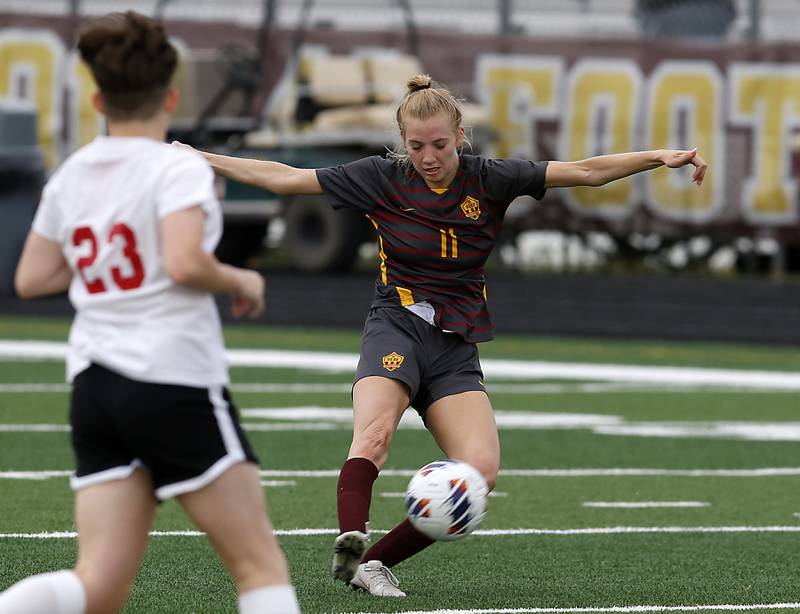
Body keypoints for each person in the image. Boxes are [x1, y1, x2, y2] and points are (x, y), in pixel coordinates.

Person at [176, 74, 707, 599]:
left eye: (440, 144)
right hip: (396, 324)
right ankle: (351, 536)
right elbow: (283, 178)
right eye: (416, 146)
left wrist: (659, 156)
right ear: (401, 144)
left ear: (460, 137)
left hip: (455, 343)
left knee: (480, 474)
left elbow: (588, 171)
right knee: (375, 434)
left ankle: (373, 563)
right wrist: (205, 158)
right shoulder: (381, 178)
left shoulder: (491, 178)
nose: (429, 156)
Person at [0, 11, 300, 614]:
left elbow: (32, 278)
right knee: (260, 567)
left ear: (97, 98)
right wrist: (242, 276)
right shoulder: (176, 166)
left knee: (99, 586)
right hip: (171, 379)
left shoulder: (72, 172)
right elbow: (186, 262)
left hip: (96, 388)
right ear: (169, 95)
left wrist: (107, 270)